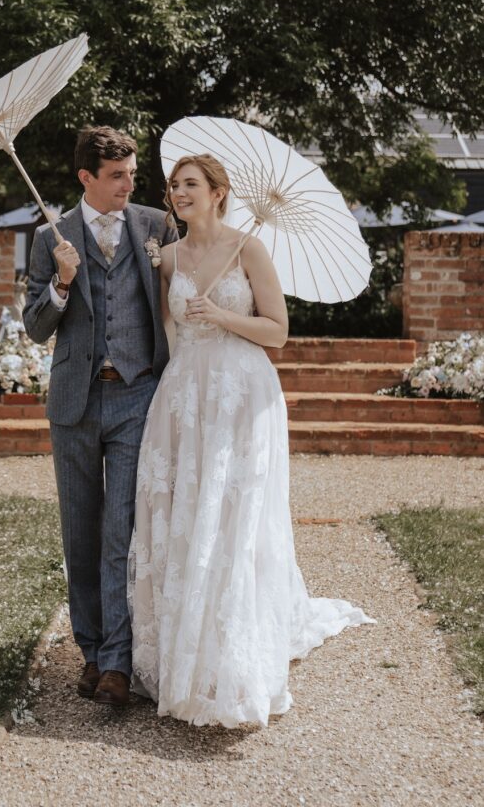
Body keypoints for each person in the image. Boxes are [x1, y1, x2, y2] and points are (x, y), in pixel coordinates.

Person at [128, 153, 374, 727]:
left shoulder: (249, 249)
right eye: (174, 185)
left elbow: (279, 332)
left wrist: (221, 313)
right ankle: (178, 645)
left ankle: (228, 654)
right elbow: (162, 328)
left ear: (218, 192)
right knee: (182, 511)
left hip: (242, 394)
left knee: (232, 515)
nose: (178, 192)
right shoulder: (165, 258)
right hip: (185, 394)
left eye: (190, 184)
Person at [24, 126, 178, 708]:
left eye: (132, 173)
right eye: (117, 175)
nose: (130, 184)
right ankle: (90, 649)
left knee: (123, 530)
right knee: (81, 532)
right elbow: (36, 326)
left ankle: (116, 661)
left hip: (137, 395)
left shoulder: (154, 226)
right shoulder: (49, 237)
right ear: (86, 177)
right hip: (75, 400)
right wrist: (63, 282)